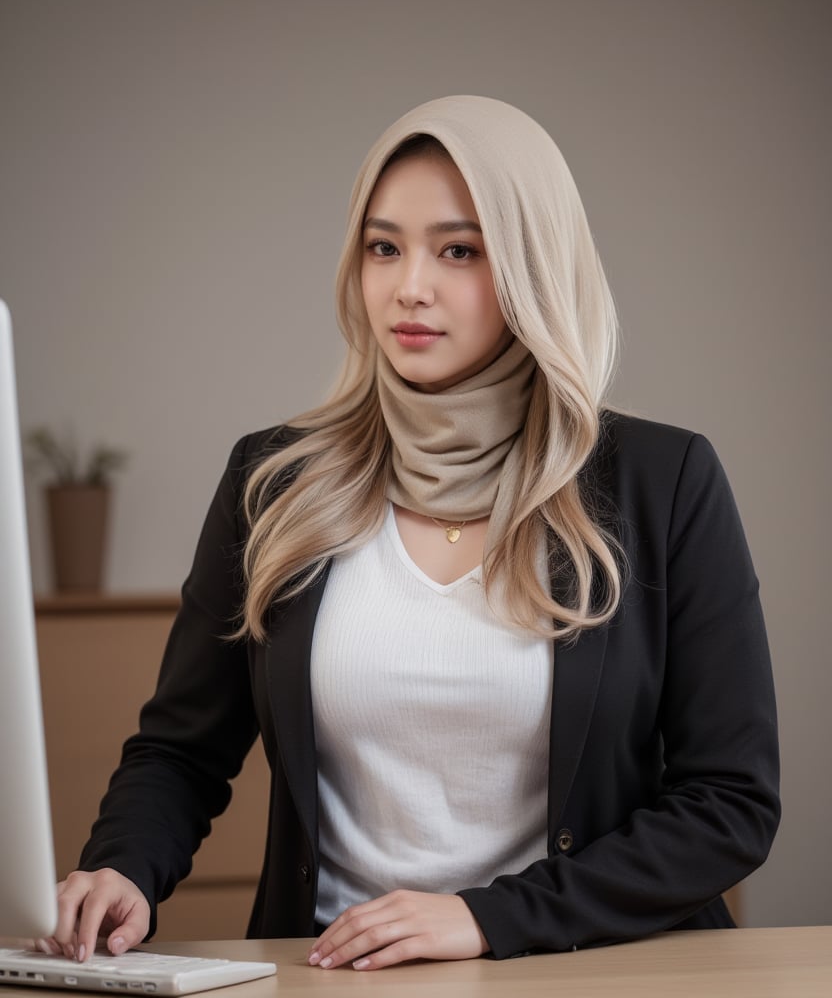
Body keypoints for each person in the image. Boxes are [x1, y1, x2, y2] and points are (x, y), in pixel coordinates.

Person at [40, 95, 779, 971]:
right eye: (382, 247)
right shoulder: (273, 480)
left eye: (458, 250)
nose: (408, 286)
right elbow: (181, 751)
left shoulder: (663, 483)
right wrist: (123, 866)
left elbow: (730, 804)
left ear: (534, 267)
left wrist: (489, 919)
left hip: (583, 972)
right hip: (331, 978)